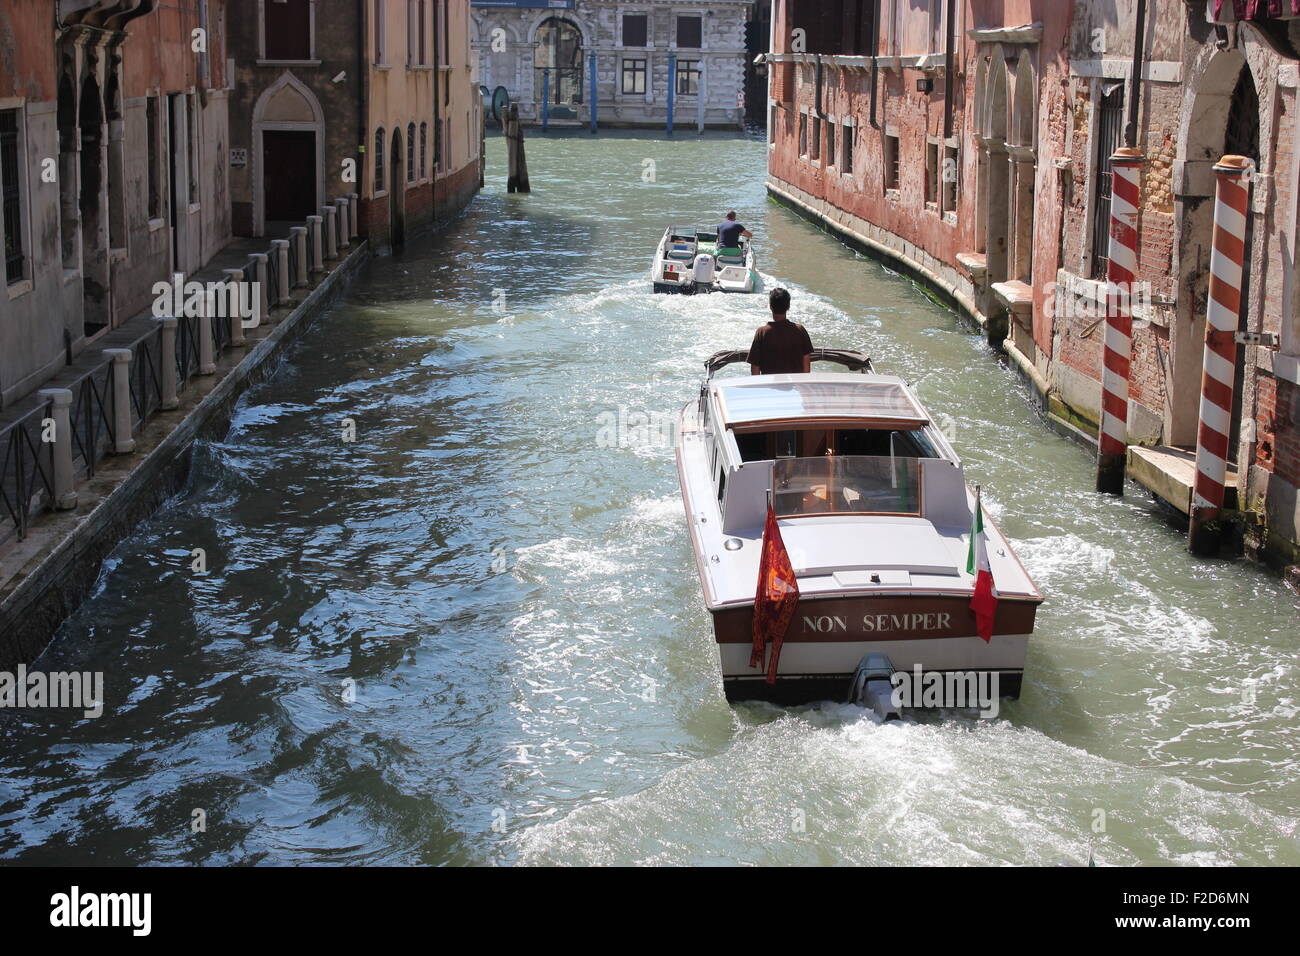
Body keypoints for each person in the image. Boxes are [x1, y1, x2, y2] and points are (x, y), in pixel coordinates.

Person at [749, 288, 813, 375]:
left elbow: (755, 368)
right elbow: (806, 362)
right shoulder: (800, 330)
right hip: (796, 386)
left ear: (770, 307)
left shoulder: (761, 332)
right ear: (788, 307)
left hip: (770, 387)